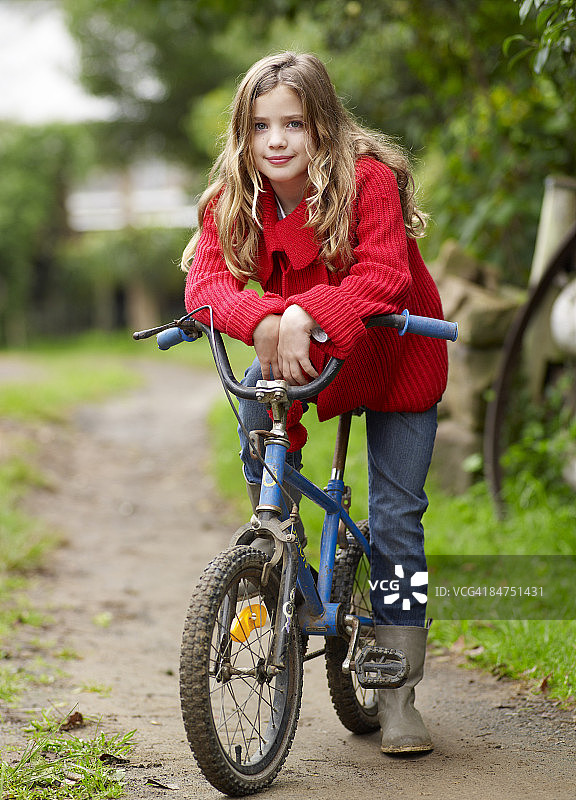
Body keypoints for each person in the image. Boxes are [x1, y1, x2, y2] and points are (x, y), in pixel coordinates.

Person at [181, 51, 448, 755]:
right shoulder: (231, 198)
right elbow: (206, 284)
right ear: (242, 132)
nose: (276, 141)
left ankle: (397, 695)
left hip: (394, 354)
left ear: (323, 124)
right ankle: (279, 563)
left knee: (396, 518)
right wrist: (264, 320)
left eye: (294, 123)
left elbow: (385, 274)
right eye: (261, 125)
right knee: (253, 417)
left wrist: (303, 312)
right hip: (304, 360)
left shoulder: (369, 181)